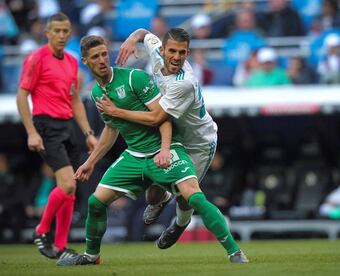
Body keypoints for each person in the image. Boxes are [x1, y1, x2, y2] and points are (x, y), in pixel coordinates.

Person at [56, 35, 248, 265]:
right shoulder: (98, 94)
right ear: (85, 61)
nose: (102, 60)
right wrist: (91, 161)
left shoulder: (135, 78)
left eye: (104, 54)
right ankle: (91, 256)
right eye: (95, 56)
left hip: (171, 147)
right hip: (134, 155)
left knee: (193, 197)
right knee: (96, 202)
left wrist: (165, 149)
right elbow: (111, 128)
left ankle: (234, 252)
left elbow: (162, 118)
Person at [101, 27, 225, 252]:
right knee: (152, 195)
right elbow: (142, 32)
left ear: (187, 53)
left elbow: (157, 117)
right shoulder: (156, 51)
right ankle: (160, 201)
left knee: (187, 194)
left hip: (199, 142)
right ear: (163, 49)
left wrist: (117, 112)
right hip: (176, 135)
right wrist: (131, 40)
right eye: (173, 51)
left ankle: (179, 225)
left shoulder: (183, 82)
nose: (176, 57)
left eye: (182, 52)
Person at [16, 12, 98, 259]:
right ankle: (41, 231)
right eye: (57, 31)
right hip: (45, 125)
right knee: (67, 184)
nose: (62, 35)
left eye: (66, 31)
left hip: (67, 126)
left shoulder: (72, 62)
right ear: (47, 33)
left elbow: (75, 101)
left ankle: (61, 247)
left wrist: (88, 133)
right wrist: (31, 132)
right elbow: (22, 96)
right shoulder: (36, 59)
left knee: (71, 189)